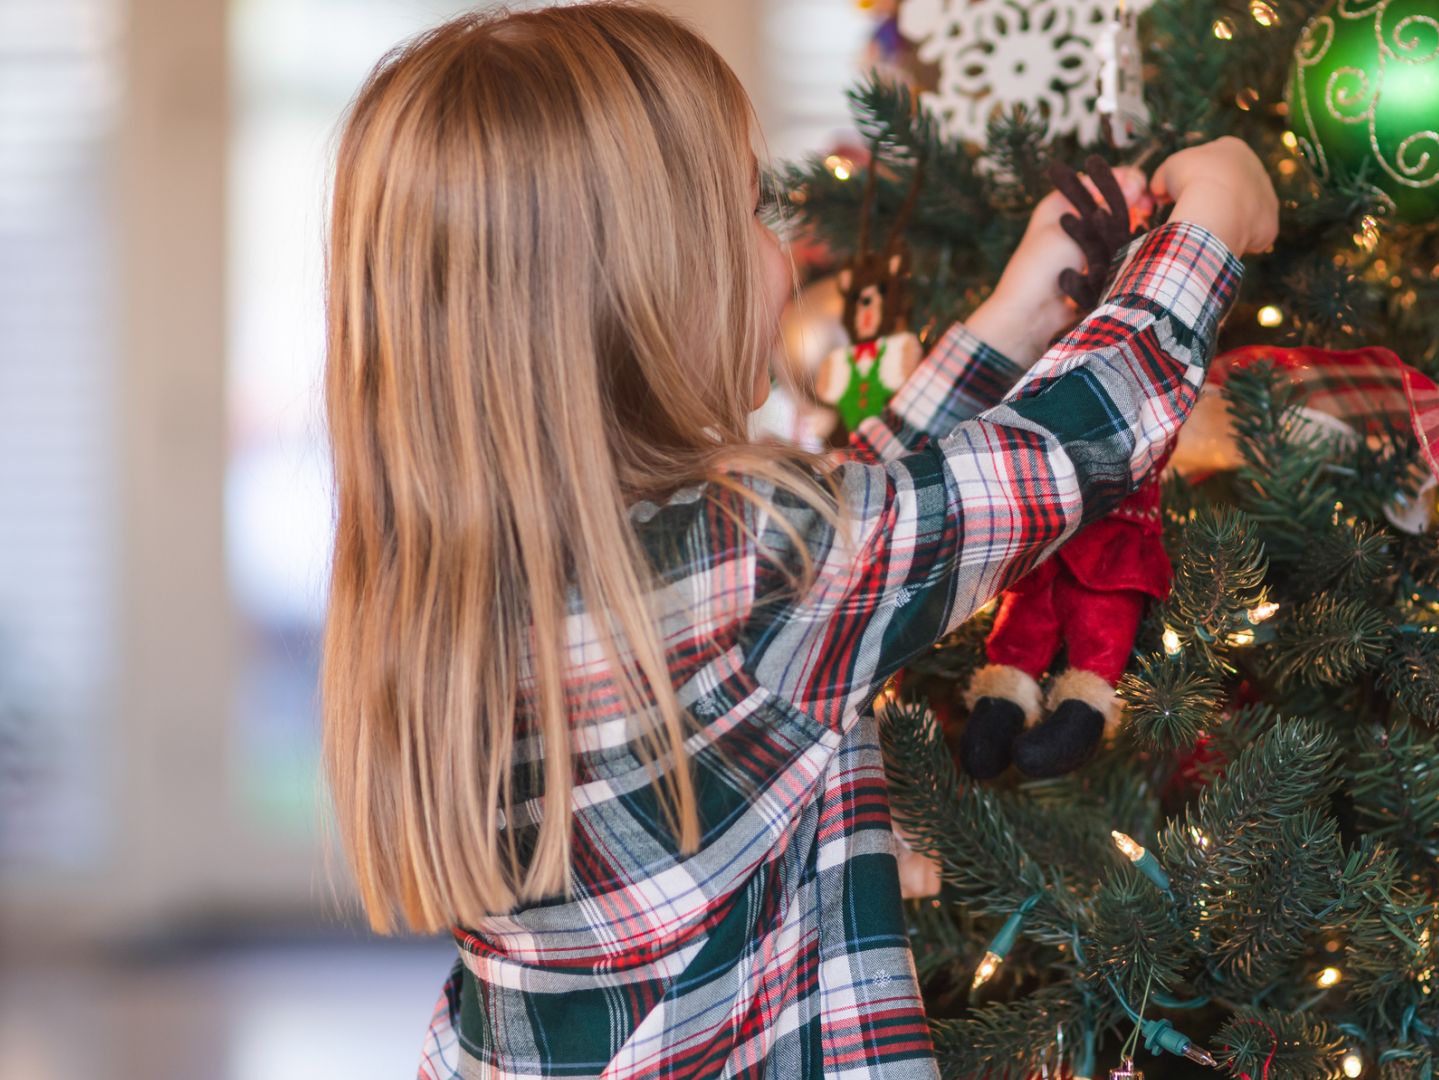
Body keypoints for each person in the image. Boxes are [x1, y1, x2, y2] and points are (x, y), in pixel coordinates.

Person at [316, 4, 1276, 1077]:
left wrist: (1015, 320)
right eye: (753, 209)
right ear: (649, 281)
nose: (784, 249)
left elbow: (851, 527)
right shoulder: (747, 563)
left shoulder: (477, 571)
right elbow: (1067, 444)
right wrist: (1212, 224)